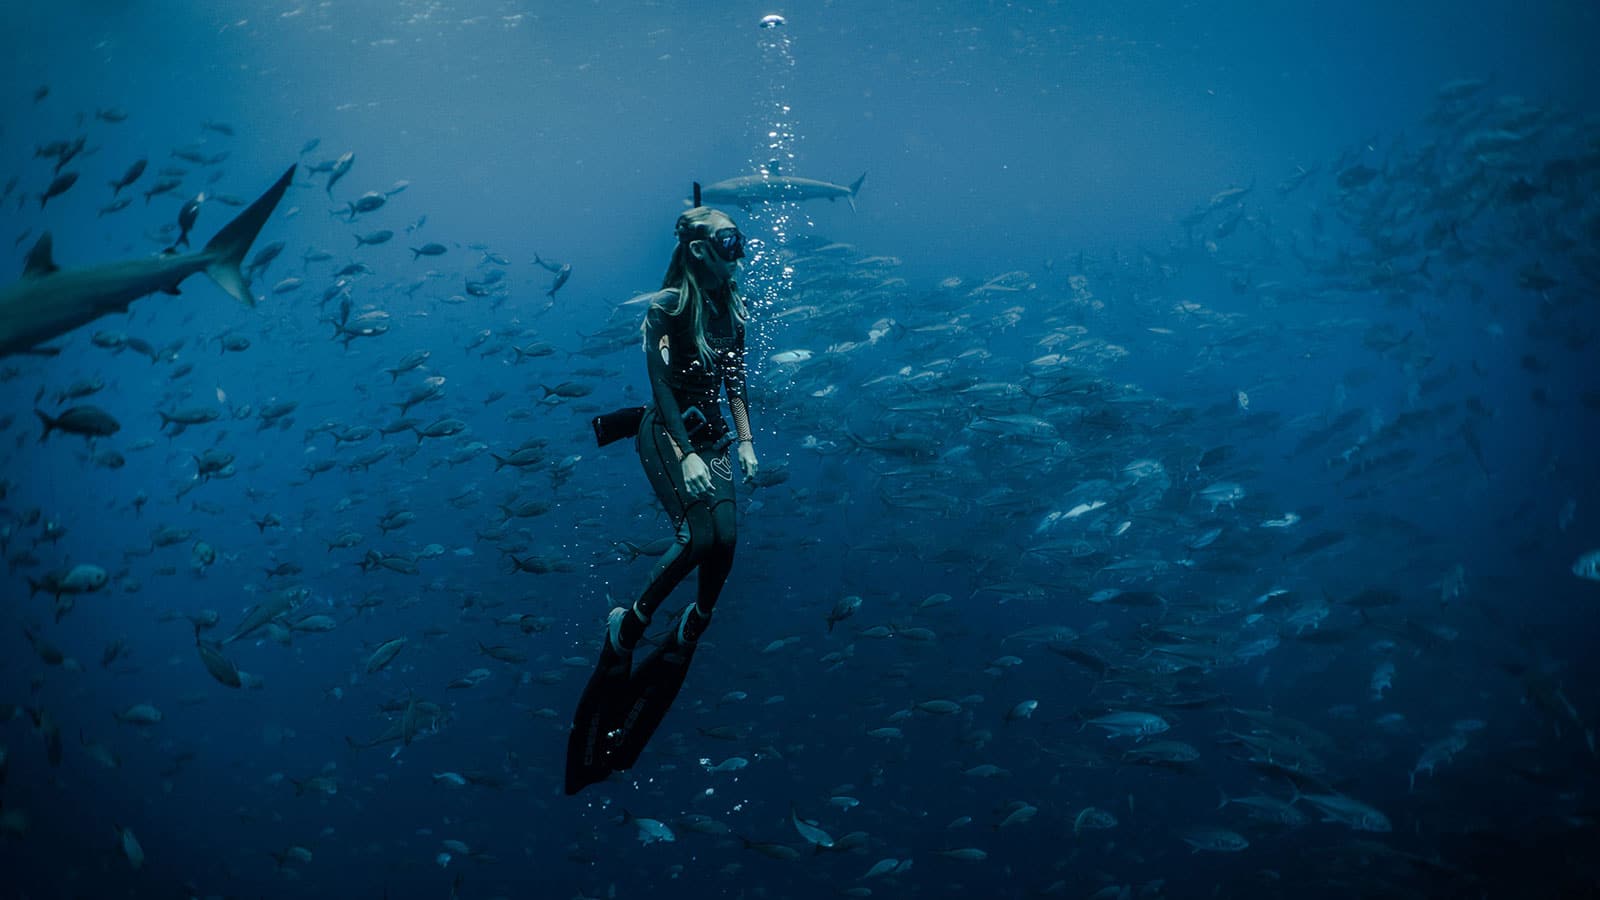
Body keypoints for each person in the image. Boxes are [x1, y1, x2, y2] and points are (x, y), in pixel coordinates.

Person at [565, 205, 758, 794]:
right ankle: (631, 623)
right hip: (665, 430)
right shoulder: (667, 309)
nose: (739, 251)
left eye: (739, 239)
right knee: (697, 537)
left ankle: (690, 628)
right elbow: (661, 389)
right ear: (700, 249)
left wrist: (745, 440)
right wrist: (688, 453)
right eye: (728, 241)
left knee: (727, 541)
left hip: (711, 434)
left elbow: (735, 381)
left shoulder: (733, 311)